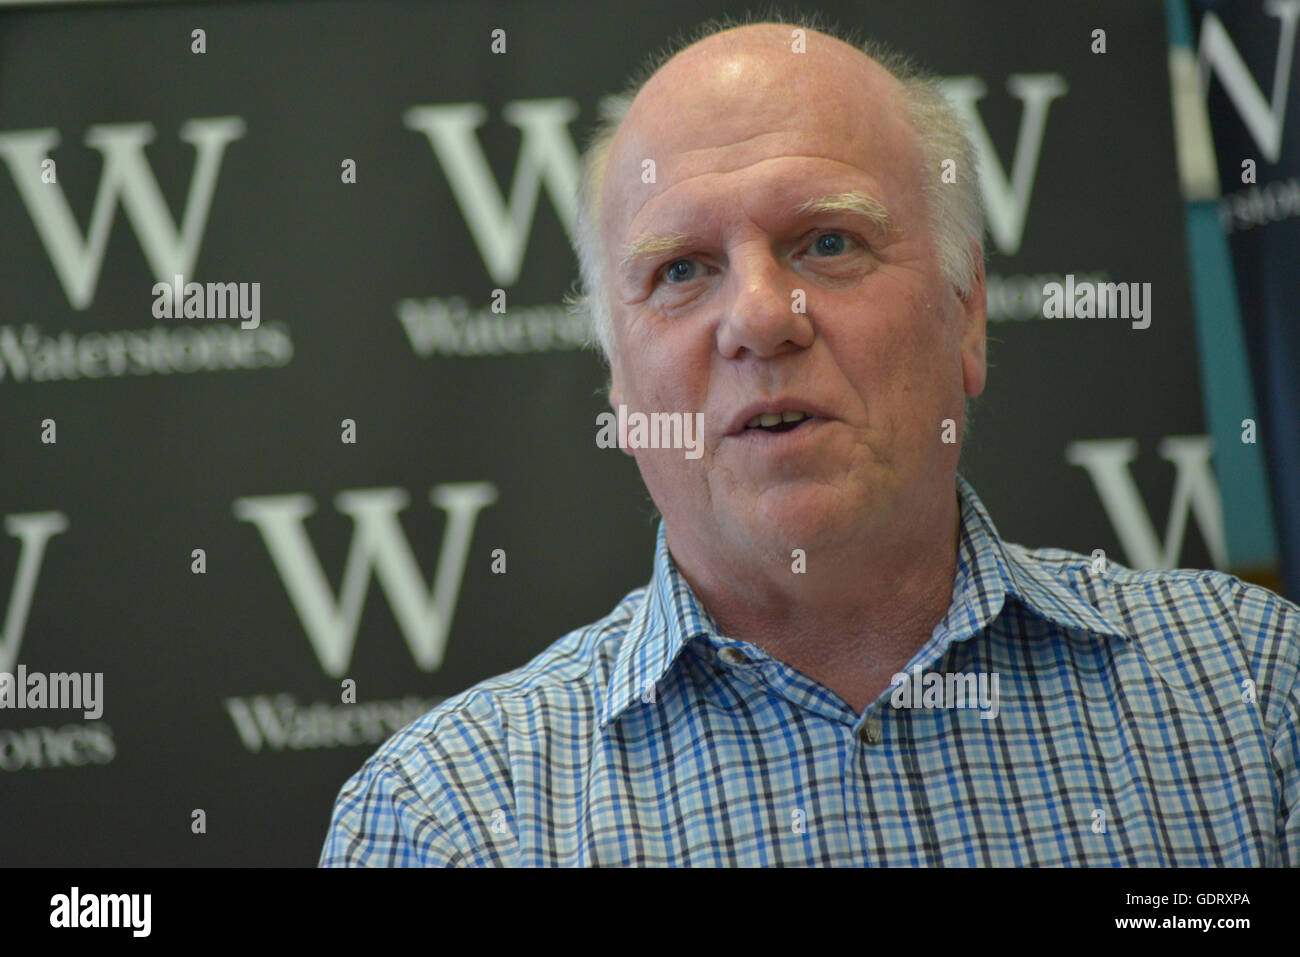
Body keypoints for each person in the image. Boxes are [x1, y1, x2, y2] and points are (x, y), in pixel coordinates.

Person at [320, 16, 1299, 866]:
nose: (759, 318)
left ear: (964, 317)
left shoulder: (1255, 699)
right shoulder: (442, 822)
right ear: (619, 385)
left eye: (827, 243)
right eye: (680, 271)